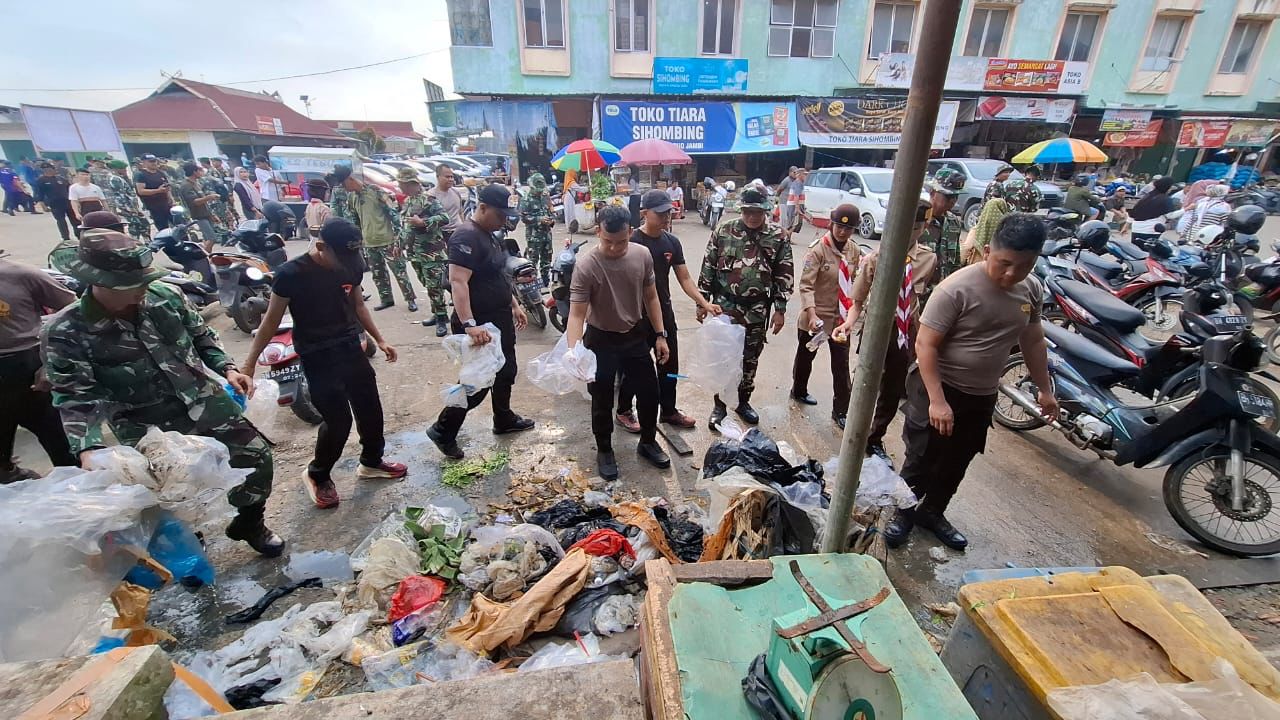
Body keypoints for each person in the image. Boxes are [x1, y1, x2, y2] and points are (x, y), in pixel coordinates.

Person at [41, 229, 284, 556]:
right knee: (168, 495)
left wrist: (228, 368)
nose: (144, 286)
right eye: (134, 283)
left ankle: (249, 522)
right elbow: (75, 395)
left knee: (256, 458)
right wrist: (89, 448)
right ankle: (189, 542)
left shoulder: (166, 297)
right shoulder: (66, 330)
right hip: (143, 422)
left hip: (204, 400)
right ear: (102, 283)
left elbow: (202, 338)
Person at [884, 213, 1056, 550]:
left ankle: (933, 512)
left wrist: (1045, 389)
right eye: (1004, 263)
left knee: (959, 458)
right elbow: (925, 345)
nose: (1012, 274)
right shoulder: (956, 289)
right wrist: (937, 401)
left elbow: (1033, 340)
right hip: (938, 386)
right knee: (922, 457)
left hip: (981, 394)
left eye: (1024, 266)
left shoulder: (1032, 289)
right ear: (988, 250)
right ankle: (903, 513)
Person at [243, 218, 406, 508]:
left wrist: (380, 339)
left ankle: (371, 462)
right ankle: (317, 474)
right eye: (340, 257)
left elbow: (358, 305)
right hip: (316, 353)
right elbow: (270, 321)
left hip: (349, 345)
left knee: (370, 407)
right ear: (321, 246)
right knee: (338, 421)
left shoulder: (351, 264)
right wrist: (249, 365)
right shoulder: (290, 274)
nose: (346, 264)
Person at [425, 184, 535, 459]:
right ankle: (443, 430)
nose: (504, 220)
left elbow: (498, 275)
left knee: (506, 371)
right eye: (500, 214)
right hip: (480, 322)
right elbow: (458, 282)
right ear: (483, 208)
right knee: (477, 382)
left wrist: (514, 304)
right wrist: (469, 324)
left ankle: (503, 418)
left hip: (499, 317)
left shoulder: (490, 235)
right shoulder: (466, 236)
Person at [565, 205, 672, 480]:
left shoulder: (642, 255)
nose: (614, 248)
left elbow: (651, 297)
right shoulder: (587, 265)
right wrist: (574, 351)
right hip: (600, 339)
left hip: (634, 334)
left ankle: (647, 442)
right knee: (602, 399)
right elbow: (576, 314)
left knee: (649, 392)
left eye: (621, 242)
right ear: (598, 232)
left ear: (631, 232)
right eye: (608, 241)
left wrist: (660, 335)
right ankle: (604, 450)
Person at [834, 198, 939, 464]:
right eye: (906, 226)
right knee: (865, 383)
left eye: (916, 228)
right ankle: (854, 431)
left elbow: (924, 300)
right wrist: (848, 324)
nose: (910, 233)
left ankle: (875, 437)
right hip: (876, 329)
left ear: (924, 227)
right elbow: (857, 302)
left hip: (905, 331)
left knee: (893, 388)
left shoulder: (928, 259)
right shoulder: (875, 259)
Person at [616, 190, 721, 432]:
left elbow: (684, 278)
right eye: (661, 213)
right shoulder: (632, 241)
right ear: (644, 213)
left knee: (669, 366)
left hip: (663, 313)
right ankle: (624, 410)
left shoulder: (671, 242)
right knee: (635, 368)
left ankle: (669, 410)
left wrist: (704, 302)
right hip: (635, 317)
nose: (666, 217)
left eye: (669, 212)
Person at [698, 186, 793, 427]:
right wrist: (702, 301)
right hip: (725, 306)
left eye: (757, 212)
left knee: (750, 358)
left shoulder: (778, 236)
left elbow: (784, 274)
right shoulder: (724, 230)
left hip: (757, 309)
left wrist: (780, 310)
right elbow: (708, 265)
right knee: (723, 356)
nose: (752, 216)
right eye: (747, 211)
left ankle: (742, 402)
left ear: (765, 211)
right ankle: (719, 406)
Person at [0, 255, 77, 483]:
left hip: (27, 368)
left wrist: (51, 360)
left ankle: (78, 486)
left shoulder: (21, 274)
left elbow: (74, 309)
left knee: (62, 444)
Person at [791, 204, 862, 428]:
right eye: (839, 226)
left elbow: (855, 283)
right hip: (817, 318)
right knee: (806, 357)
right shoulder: (818, 250)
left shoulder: (854, 251)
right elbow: (806, 286)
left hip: (841, 320)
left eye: (848, 228)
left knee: (841, 365)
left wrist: (852, 315)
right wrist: (812, 315)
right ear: (831, 224)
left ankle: (840, 410)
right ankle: (799, 390)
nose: (842, 231)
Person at [336, 165, 416, 312]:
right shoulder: (352, 197)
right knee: (378, 274)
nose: (343, 187)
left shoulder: (375, 191)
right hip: (369, 242)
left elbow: (393, 214)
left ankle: (410, 299)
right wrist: (358, 238)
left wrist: (398, 238)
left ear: (351, 179)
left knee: (399, 272)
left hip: (387, 240)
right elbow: (354, 219)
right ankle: (386, 299)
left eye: (343, 183)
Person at [397, 167, 451, 335]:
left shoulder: (428, 200)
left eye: (402, 184)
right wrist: (399, 244)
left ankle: (441, 317)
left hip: (431, 253)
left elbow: (444, 218)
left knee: (435, 286)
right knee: (426, 284)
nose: (400, 187)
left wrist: (424, 222)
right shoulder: (407, 202)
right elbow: (405, 226)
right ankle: (437, 312)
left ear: (411, 183)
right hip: (415, 253)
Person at [922, 168, 965, 279]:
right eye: (948, 196)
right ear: (933, 193)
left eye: (956, 197)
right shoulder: (918, 220)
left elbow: (955, 261)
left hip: (943, 285)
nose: (953, 201)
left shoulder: (953, 222)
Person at [177, 162, 221, 250]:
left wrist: (211, 214)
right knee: (212, 238)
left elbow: (203, 201)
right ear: (194, 172)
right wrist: (209, 197)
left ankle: (206, 254)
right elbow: (195, 202)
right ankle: (205, 256)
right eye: (200, 170)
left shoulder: (196, 183)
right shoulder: (186, 186)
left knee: (208, 239)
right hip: (198, 216)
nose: (202, 172)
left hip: (205, 214)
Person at [520, 173, 555, 283]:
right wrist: (539, 219)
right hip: (534, 237)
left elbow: (551, 212)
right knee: (533, 261)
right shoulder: (526, 200)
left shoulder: (545, 197)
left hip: (547, 235)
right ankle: (532, 283)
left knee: (547, 260)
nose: (539, 192)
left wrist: (551, 220)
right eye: (537, 190)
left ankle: (545, 281)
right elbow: (524, 218)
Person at [103, 160, 151, 240]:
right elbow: (121, 195)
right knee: (138, 225)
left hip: (130, 207)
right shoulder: (114, 179)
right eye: (123, 169)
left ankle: (144, 241)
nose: (125, 170)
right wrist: (131, 208)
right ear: (116, 169)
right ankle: (135, 242)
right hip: (128, 207)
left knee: (140, 224)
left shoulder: (117, 178)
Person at [1129, 176, 1179, 243]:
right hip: (1151, 229)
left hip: (1136, 228)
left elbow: (1133, 212)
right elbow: (1170, 215)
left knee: (1135, 247)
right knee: (1147, 248)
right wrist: (1186, 209)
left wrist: (1127, 225)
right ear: (1167, 188)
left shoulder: (1148, 195)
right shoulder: (1166, 199)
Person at [133, 154, 173, 230]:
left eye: (155, 161)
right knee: (163, 229)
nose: (154, 163)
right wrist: (158, 190)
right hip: (154, 207)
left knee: (179, 225)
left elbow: (167, 186)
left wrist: (170, 198)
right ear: (144, 162)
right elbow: (141, 191)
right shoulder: (140, 174)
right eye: (151, 161)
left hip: (166, 205)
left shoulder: (160, 173)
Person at [36, 163, 74, 241]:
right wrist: (43, 206)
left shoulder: (61, 178)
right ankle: (66, 238)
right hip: (55, 204)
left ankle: (79, 235)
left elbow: (70, 189)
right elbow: (40, 194)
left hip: (67, 202)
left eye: (51, 169)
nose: (49, 170)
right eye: (45, 169)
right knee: (61, 221)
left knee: (74, 220)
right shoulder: (41, 180)